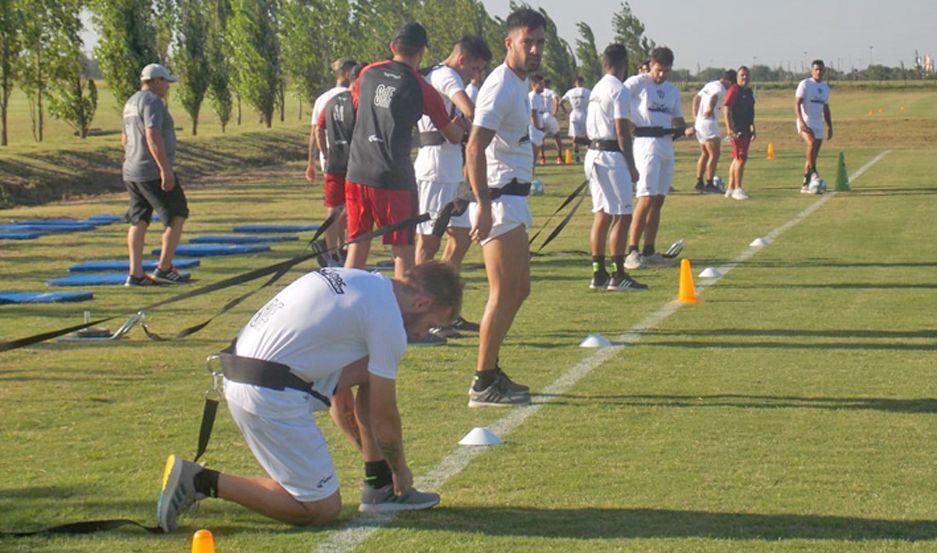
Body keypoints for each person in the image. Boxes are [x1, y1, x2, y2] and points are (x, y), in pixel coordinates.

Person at [156, 262, 463, 531]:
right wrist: (401, 471)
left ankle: (378, 487)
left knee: (373, 368)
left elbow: (345, 400)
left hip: (247, 371)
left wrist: (379, 471)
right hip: (267, 393)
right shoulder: (387, 322)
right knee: (319, 510)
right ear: (422, 303)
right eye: (432, 325)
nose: (424, 334)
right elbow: (384, 416)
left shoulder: (360, 280)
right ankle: (198, 480)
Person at [464, 7, 546, 406]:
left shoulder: (517, 83)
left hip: (511, 198)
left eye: (539, 43)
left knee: (519, 289)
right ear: (509, 43)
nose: (534, 50)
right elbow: (474, 145)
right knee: (502, 291)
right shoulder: (500, 85)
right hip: (497, 200)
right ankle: (482, 381)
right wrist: (481, 202)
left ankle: (490, 369)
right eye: (527, 42)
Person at [343, 23, 464, 280]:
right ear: (423, 51)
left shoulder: (366, 73)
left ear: (392, 47)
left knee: (357, 246)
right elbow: (452, 136)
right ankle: (403, 318)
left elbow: (358, 106)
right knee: (403, 253)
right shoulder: (422, 87)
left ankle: (346, 310)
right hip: (393, 177)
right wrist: (463, 121)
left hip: (357, 172)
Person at [414, 35, 491, 268]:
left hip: (448, 166)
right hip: (436, 167)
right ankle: (418, 288)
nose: (474, 75)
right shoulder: (447, 75)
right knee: (429, 240)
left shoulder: (435, 72)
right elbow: (469, 110)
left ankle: (444, 282)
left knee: (462, 232)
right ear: (462, 59)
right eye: (474, 68)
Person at [623, 47, 692, 270]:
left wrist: (684, 129)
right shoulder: (638, 83)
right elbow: (616, 98)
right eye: (658, 70)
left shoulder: (672, 91)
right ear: (650, 65)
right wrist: (625, 121)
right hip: (645, 145)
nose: (661, 75)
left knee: (658, 200)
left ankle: (649, 250)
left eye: (666, 71)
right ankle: (632, 251)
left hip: (665, 146)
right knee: (645, 197)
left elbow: (677, 119)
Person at [584, 44, 646, 292]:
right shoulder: (619, 89)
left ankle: (598, 273)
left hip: (593, 153)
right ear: (623, 64)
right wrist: (631, 165)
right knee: (622, 214)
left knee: (602, 214)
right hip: (610, 155)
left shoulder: (597, 87)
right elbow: (620, 130)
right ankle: (618, 274)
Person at [121, 63, 189, 286]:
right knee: (177, 214)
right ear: (156, 81)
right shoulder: (153, 101)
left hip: (131, 170)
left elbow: (125, 140)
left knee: (139, 219)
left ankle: (136, 273)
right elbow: (152, 135)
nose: (167, 87)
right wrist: (164, 169)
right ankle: (164, 267)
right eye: (166, 82)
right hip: (151, 170)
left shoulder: (131, 101)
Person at [314, 63, 366, 266]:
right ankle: (346, 249)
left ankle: (331, 252)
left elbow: (319, 129)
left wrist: (326, 154)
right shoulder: (359, 101)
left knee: (332, 207)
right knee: (353, 208)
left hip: (334, 161)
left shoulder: (332, 101)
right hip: (355, 163)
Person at [308, 58, 357, 256]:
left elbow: (315, 131)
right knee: (349, 205)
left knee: (334, 205)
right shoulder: (353, 97)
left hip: (330, 158)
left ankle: (334, 248)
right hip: (349, 157)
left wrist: (313, 160)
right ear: (347, 73)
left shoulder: (323, 99)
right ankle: (342, 247)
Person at [692, 70, 736, 194]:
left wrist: (696, 117)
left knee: (704, 154)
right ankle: (710, 184)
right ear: (729, 81)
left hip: (700, 123)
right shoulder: (721, 88)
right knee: (714, 154)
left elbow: (696, 98)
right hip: (709, 123)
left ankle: (699, 182)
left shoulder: (710, 84)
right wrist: (710, 109)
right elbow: (714, 97)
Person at [795, 59, 833, 193]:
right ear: (812, 70)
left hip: (818, 123)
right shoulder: (805, 84)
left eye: (821, 70)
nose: (819, 72)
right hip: (805, 121)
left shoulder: (825, 87)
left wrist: (829, 126)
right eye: (816, 69)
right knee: (810, 144)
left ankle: (805, 184)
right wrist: (801, 121)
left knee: (812, 156)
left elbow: (826, 109)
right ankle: (815, 173)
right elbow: (797, 104)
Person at [724, 66, 756, 200]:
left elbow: (750, 111)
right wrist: (729, 128)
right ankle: (738, 188)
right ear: (737, 77)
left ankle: (730, 188)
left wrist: (753, 127)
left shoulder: (748, 92)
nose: (744, 77)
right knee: (740, 158)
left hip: (746, 128)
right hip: (737, 129)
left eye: (746, 75)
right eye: (742, 75)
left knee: (737, 158)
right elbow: (726, 109)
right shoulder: (734, 90)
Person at [561, 76, 591, 163]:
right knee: (587, 136)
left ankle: (577, 158)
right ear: (582, 82)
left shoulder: (570, 91)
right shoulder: (586, 91)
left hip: (574, 114)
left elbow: (561, 102)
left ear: (575, 83)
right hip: (584, 114)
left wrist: (566, 112)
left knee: (575, 137)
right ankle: (588, 156)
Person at [542, 78, 565, 164]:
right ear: (549, 84)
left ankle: (542, 158)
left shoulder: (538, 92)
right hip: (549, 115)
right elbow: (556, 99)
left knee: (541, 138)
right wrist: (555, 111)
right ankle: (559, 158)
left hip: (540, 116)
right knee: (557, 136)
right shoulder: (550, 92)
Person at [528, 75, 547, 165]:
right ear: (534, 85)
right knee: (532, 156)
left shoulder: (539, 96)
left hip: (539, 126)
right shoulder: (532, 96)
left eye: (543, 84)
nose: (543, 86)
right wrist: (538, 128)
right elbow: (533, 113)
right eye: (540, 84)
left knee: (535, 155)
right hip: (534, 128)